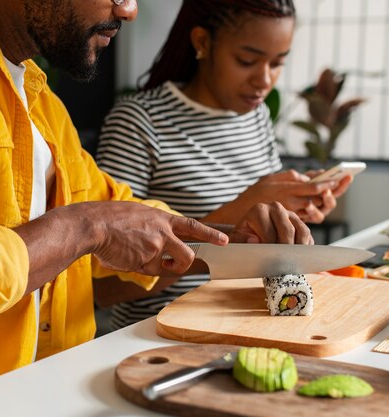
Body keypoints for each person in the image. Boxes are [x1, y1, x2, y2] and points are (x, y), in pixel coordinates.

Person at [0, 0, 314, 415]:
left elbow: (125, 218)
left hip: (53, 395)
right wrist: (84, 228)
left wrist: (236, 242)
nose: (129, 10)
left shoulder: (44, 107)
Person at [95, 0, 353, 330]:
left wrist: (294, 207)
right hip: (160, 334)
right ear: (202, 42)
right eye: (247, 60)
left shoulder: (256, 117)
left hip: (254, 322)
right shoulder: (139, 122)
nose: (264, 80)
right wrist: (234, 214)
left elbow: (260, 236)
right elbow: (105, 287)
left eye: (277, 63)